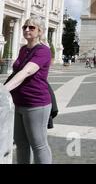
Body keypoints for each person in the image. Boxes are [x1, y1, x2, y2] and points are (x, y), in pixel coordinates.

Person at [3, 16, 53, 164]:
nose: (26, 30)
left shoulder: (44, 51)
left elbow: (26, 72)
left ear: (40, 32)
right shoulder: (23, 49)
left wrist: (3, 90)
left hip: (36, 103)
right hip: (18, 103)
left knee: (39, 145)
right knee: (21, 144)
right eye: (25, 26)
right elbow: (16, 72)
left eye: (31, 28)